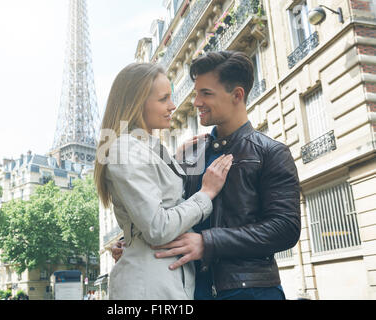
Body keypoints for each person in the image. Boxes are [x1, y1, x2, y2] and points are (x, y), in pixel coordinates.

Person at [112, 51, 301, 300]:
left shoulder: (271, 152)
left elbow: (285, 228)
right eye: (196, 92)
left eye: (206, 93)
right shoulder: (189, 156)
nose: (196, 102)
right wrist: (133, 239)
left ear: (237, 95)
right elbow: (170, 210)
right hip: (192, 289)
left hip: (251, 291)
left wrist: (208, 242)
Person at [94, 63, 233, 300]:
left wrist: (174, 162)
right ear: (138, 103)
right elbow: (157, 228)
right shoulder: (124, 149)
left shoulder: (146, 147)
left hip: (160, 280)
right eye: (163, 99)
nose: (172, 106)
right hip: (149, 286)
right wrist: (206, 193)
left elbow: (151, 207)